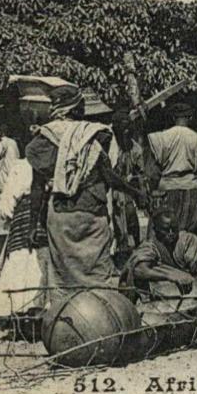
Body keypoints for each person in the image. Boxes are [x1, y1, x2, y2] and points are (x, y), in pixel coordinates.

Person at [26, 86, 147, 306]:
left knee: (62, 276)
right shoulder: (94, 134)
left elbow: (37, 187)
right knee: (98, 273)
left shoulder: (42, 139)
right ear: (75, 108)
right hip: (91, 214)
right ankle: (102, 318)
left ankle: (67, 321)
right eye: (82, 105)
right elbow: (109, 176)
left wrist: (34, 224)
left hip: (60, 216)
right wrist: (136, 192)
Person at [123, 210, 197, 298]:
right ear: (156, 230)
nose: (171, 233)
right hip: (161, 291)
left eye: (174, 228)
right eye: (166, 230)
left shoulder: (185, 240)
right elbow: (138, 270)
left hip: (190, 287)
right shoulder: (150, 246)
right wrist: (171, 275)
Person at [0, 156, 45, 321]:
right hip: (43, 218)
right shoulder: (52, 163)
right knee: (37, 263)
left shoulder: (21, 166)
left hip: (25, 218)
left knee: (21, 261)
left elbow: (8, 203)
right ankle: (38, 308)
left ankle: (20, 309)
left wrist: (6, 214)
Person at [147, 103, 197, 237]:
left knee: (164, 230)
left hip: (167, 191)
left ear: (172, 118)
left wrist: (152, 193)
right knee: (193, 232)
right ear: (191, 117)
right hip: (192, 190)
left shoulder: (160, 138)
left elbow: (153, 173)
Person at [107, 110, 146, 256]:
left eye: (128, 128)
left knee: (131, 217)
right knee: (115, 221)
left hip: (126, 190)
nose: (126, 131)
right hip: (111, 189)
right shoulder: (110, 146)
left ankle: (136, 246)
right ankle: (118, 250)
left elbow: (140, 173)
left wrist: (142, 192)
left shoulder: (134, 148)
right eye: (123, 128)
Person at [0, 121, 20, 194]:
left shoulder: (2, 142)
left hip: (5, 169)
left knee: (4, 190)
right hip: (14, 168)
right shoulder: (13, 142)